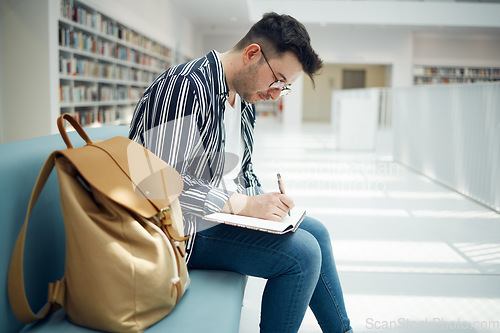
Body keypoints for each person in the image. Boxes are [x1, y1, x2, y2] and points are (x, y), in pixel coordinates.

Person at [129, 12, 352, 333]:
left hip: (211, 219)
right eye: (277, 82)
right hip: (173, 232)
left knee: (315, 231)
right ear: (252, 55)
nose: (276, 94)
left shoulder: (244, 98)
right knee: (302, 255)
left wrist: (263, 203)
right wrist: (244, 206)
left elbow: (242, 172)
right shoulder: (188, 87)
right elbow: (155, 183)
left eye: (284, 88)